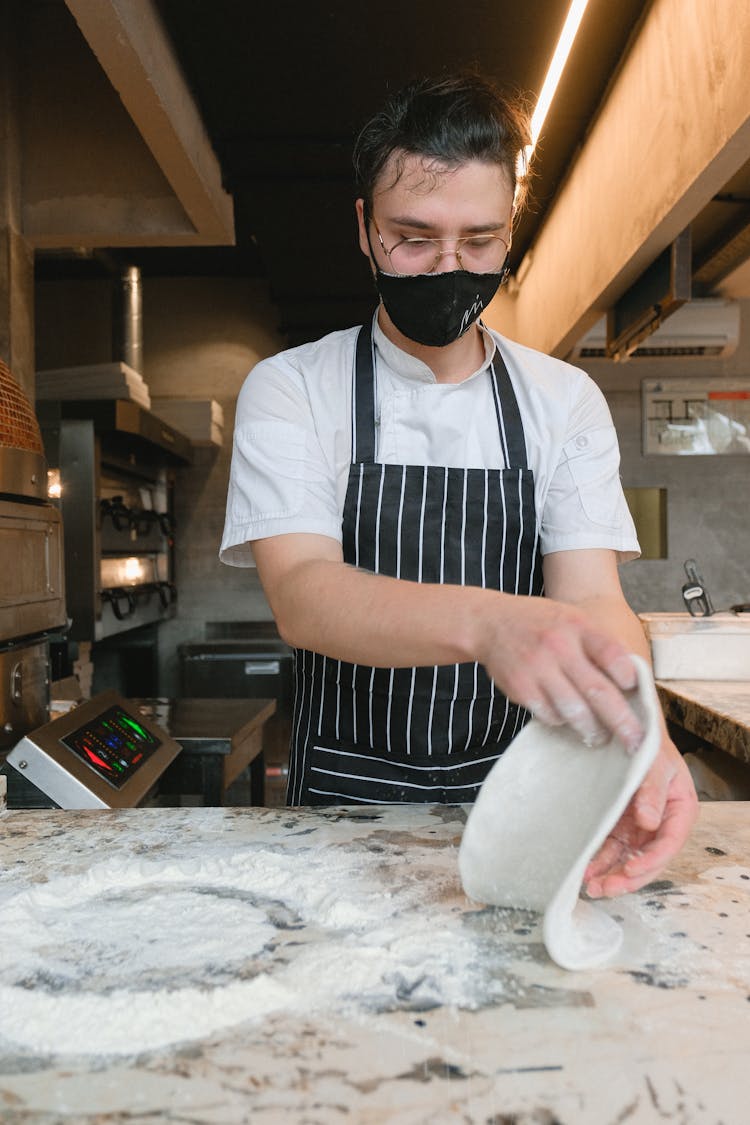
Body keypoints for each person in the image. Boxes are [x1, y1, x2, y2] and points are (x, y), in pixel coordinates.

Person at [220, 73, 697, 898]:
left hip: (528, 796)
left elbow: (591, 596)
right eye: (415, 237)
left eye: (480, 241)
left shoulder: (562, 400)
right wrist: (490, 623)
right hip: (344, 809)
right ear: (365, 229)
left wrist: (638, 723)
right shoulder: (293, 386)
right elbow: (302, 592)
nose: (450, 265)